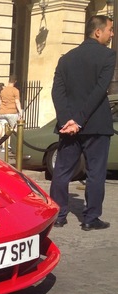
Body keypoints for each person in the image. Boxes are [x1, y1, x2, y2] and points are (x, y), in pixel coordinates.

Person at [51, 15, 115, 231]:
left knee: (61, 171)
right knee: (95, 173)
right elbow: (99, 91)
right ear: (98, 32)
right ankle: (90, 218)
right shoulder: (107, 56)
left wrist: (66, 120)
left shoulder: (66, 58)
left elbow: (57, 92)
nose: (112, 34)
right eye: (110, 30)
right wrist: (77, 120)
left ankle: (58, 215)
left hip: (68, 126)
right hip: (96, 124)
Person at [0, 75, 23, 150]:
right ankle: (16, 146)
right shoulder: (15, 90)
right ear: (15, 82)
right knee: (14, 129)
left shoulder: (2, 91)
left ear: (8, 81)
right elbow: (17, 102)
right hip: (12, 112)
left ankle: (3, 147)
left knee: (4, 129)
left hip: (3, 112)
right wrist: (20, 111)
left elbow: (0, 102)